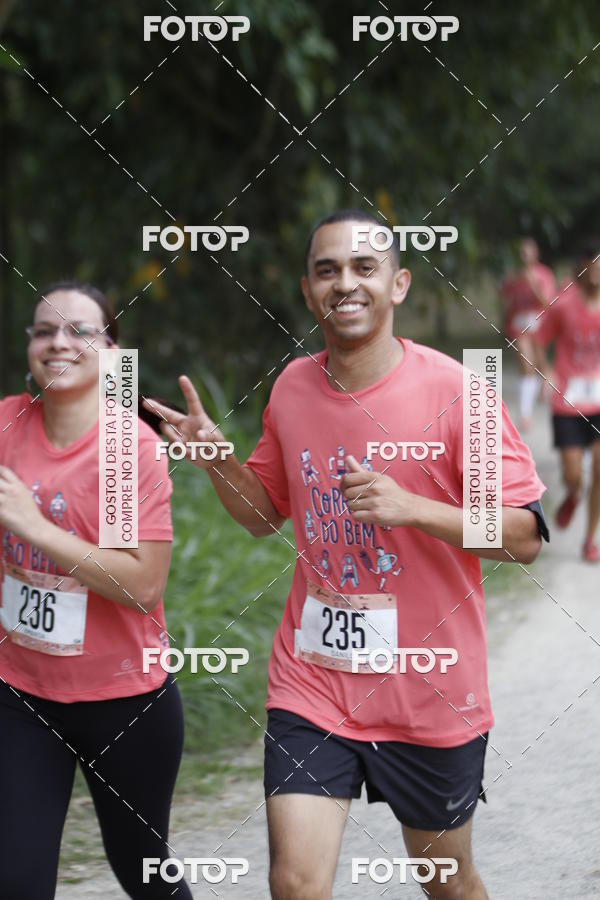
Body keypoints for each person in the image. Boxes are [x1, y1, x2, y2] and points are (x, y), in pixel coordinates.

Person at [149, 209, 548, 900]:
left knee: (447, 884)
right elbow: (260, 515)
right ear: (308, 291)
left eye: (364, 268)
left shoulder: (458, 393)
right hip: (314, 681)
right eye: (327, 270)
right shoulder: (292, 387)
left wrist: (412, 508)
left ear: (398, 284)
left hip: (431, 690)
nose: (346, 283)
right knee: (296, 884)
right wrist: (217, 460)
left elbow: (524, 539)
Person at [0, 282, 192, 899]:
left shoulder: (126, 447)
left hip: (124, 699)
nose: (58, 343)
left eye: (78, 331)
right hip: (21, 693)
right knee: (16, 878)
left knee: (141, 870)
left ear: (111, 351)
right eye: (43, 330)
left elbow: (141, 582)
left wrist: (35, 527)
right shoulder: (6, 426)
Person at [534, 242, 600, 562]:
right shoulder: (563, 304)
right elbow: (537, 338)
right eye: (594, 264)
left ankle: (589, 541)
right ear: (582, 267)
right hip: (568, 403)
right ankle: (573, 494)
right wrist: (546, 371)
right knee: (574, 474)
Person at [500, 237, 556, 431]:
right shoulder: (512, 276)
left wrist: (532, 283)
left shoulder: (544, 274)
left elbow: (547, 302)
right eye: (521, 252)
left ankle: (546, 383)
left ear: (535, 253)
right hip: (519, 326)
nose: (524, 256)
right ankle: (525, 414)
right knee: (527, 366)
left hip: (539, 324)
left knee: (539, 362)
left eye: (528, 251)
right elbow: (505, 301)